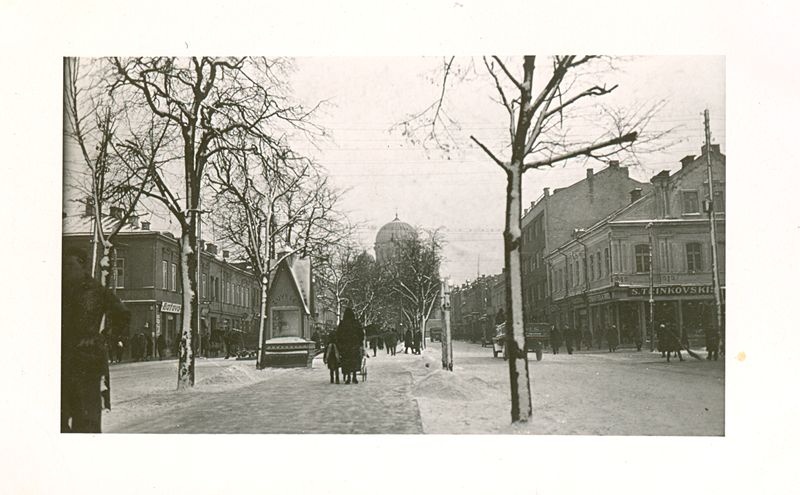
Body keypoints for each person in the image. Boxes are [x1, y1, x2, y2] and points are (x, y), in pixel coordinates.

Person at [62, 246, 130, 433]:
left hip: (87, 363)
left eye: (70, 265)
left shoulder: (95, 290)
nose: (65, 269)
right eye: (63, 265)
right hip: (60, 364)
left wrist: (104, 337)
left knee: (86, 421)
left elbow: (122, 315)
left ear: (82, 265)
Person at [336, 308, 365, 384]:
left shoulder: (342, 324)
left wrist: (340, 345)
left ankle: (348, 377)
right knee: (354, 361)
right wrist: (359, 342)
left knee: (346, 361)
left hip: (345, 347)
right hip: (354, 346)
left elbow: (338, 335)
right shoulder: (356, 323)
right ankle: (354, 377)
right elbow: (361, 334)